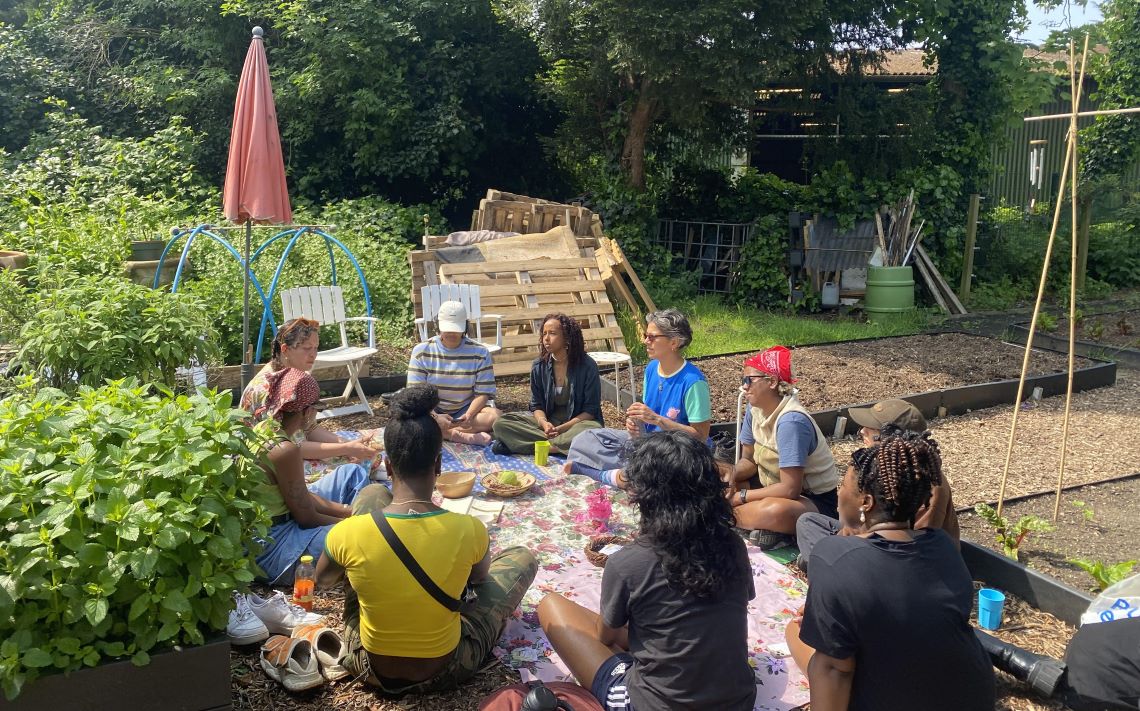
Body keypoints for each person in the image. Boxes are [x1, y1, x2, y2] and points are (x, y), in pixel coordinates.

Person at [317, 384, 538, 695]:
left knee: (369, 498)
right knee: (522, 558)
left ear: (390, 466)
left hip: (368, 665)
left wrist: (370, 567)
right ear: (438, 466)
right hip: (448, 667)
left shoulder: (346, 533)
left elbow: (323, 580)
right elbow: (478, 580)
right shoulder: (469, 529)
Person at [537, 431, 757, 711]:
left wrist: (634, 631)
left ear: (643, 496)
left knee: (550, 606)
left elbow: (606, 637)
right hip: (737, 700)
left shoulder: (627, 563)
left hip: (655, 704)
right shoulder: (733, 544)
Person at [783, 430, 995, 711]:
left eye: (843, 485)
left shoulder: (832, 556)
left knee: (794, 631)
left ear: (866, 503)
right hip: (972, 694)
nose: (838, 493)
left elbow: (835, 669)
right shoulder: (942, 546)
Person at [250, 367, 392, 585]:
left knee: (351, 473)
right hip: (273, 543)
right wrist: (353, 524)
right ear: (306, 412)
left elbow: (301, 496)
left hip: (286, 515)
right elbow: (306, 517)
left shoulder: (265, 427)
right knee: (359, 538)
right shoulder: (284, 449)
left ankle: (365, 523)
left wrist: (347, 512)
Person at [796, 399, 960, 577]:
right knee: (808, 522)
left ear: (893, 437)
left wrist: (846, 544)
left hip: (897, 562)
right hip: (868, 538)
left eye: (870, 428)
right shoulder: (876, 468)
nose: (861, 431)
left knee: (825, 551)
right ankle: (827, 565)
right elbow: (853, 522)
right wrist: (844, 537)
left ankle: (829, 569)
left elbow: (911, 549)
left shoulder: (926, 485)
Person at [564, 309, 710, 488]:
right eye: (645, 335)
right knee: (585, 438)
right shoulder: (652, 368)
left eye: (652, 337)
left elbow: (701, 437)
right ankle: (625, 474)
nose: (645, 341)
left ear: (674, 342)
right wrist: (637, 424)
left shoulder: (693, 382)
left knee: (650, 471)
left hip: (676, 452)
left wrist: (657, 419)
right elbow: (647, 422)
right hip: (647, 443)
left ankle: (601, 474)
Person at [729, 346, 839, 550]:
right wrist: (730, 475)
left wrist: (741, 497)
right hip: (768, 485)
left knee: (773, 511)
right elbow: (749, 462)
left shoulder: (791, 422)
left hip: (812, 500)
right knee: (724, 480)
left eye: (748, 380)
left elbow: (790, 489)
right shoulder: (754, 410)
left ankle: (722, 516)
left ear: (772, 382)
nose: (744, 387)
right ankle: (753, 522)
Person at [242, 317, 380, 472]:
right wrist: (346, 448)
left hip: (293, 448)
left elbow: (309, 427)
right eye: (307, 348)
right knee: (353, 470)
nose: (313, 354)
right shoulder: (268, 390)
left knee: (368, 458)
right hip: (266, 463)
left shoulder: (296, 376)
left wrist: (345, 443)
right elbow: (287, 447)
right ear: (285, 349)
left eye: (316, 348)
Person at [491, 313, 603, 455]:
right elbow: (536, 405)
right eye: (544, 334)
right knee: (500, 424)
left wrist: (561, 429)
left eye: (552, 333)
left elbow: (590, 411)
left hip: (577, 425)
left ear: (567, 338)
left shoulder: (587, 366)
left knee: (593, 432)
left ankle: (540, 447)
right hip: (549, 424)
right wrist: (544, 424)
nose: (546, 339)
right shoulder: (539, 366)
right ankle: (562, 447)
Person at [407, 300, 501, 446]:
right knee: (409, 418)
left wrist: (469, 415)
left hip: (465, 410)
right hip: (431, 410)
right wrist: (435, 416)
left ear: (465, 327)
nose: (451, 333)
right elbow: (415, 395)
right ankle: (456, 435)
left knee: (495, 416)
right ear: (438, 326)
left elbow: (483, 393)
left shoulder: (480, 353)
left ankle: (441, 432)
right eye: (447, 329)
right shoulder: (421, 351)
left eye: (456, 329)